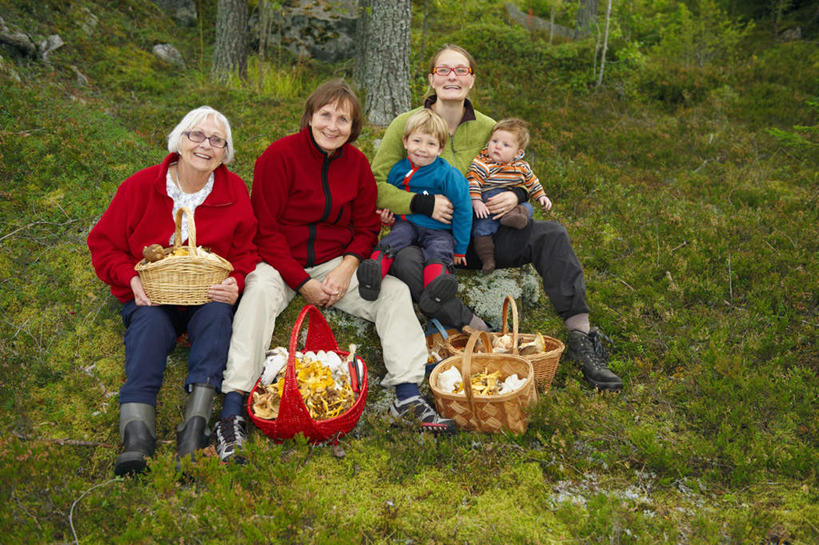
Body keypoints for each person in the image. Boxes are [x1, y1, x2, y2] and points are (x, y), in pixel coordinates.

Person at [219, 80, 456, 463]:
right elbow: (265, 229)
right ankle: (233, 407)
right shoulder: (279, 157)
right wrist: (302, 283)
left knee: (393, 293)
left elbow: (365, 228)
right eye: (325, 115)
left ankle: (407, 396)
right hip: (281, 262)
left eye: (343, 119)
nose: (333, 125)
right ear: (311, 116)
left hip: (334, 261)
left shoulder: (357, 165)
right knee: (258, 291)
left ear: (353, 126)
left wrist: (347, 269)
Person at [371, 44, 623, 391]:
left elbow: (516, 171)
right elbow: (375, 184)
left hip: (479, 238)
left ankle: (581, 339)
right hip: (425, 238)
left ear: (472, 80)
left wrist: (516, 195)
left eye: (461, 70)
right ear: (431, 78)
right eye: (443, 70)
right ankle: (472, 324)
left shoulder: (489, 127)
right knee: (403, 259)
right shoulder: (407, 124)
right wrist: (418, 204)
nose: (452, 77)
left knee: (550, 234)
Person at [87, 106, 260, 476]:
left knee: (216, 321)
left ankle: (193, 429)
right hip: (152, 295)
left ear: (224, 152)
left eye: (216, 140)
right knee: (147, 328)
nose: (205, 145)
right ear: (179, 141)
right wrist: (129, 279)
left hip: (205, 295)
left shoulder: (234, 191)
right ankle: (137, 436)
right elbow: (103, 245)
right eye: (196, 135)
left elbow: (246, 251)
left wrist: (236, 282)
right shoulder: (140, 186)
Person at [356, 109, 472, 317]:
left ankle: (434, 292)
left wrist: (461, 248)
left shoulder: (448, 175)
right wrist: (386, 216)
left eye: (431, 144)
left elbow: (464, 209)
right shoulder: (398, 170)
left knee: (439, 250)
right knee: (395, 239)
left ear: (440, 149)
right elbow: (390, 197)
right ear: (405, 142)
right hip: (407, 224)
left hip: (439, 230)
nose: (422, 149)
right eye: (417, 141)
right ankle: (372, 275)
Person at [468, 118, 552, 274]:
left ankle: (514, 218)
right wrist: (476, 201)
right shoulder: (483, 163)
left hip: (512, 206)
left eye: (506, 145)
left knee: (527, 208)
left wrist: (541, 196)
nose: (497, 146)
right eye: (494, 141)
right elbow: (473, 182)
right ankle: (487, 260)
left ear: (518, 153)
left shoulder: (521, 166)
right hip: (489, 206)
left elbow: (532, 182)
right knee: (481, 229)